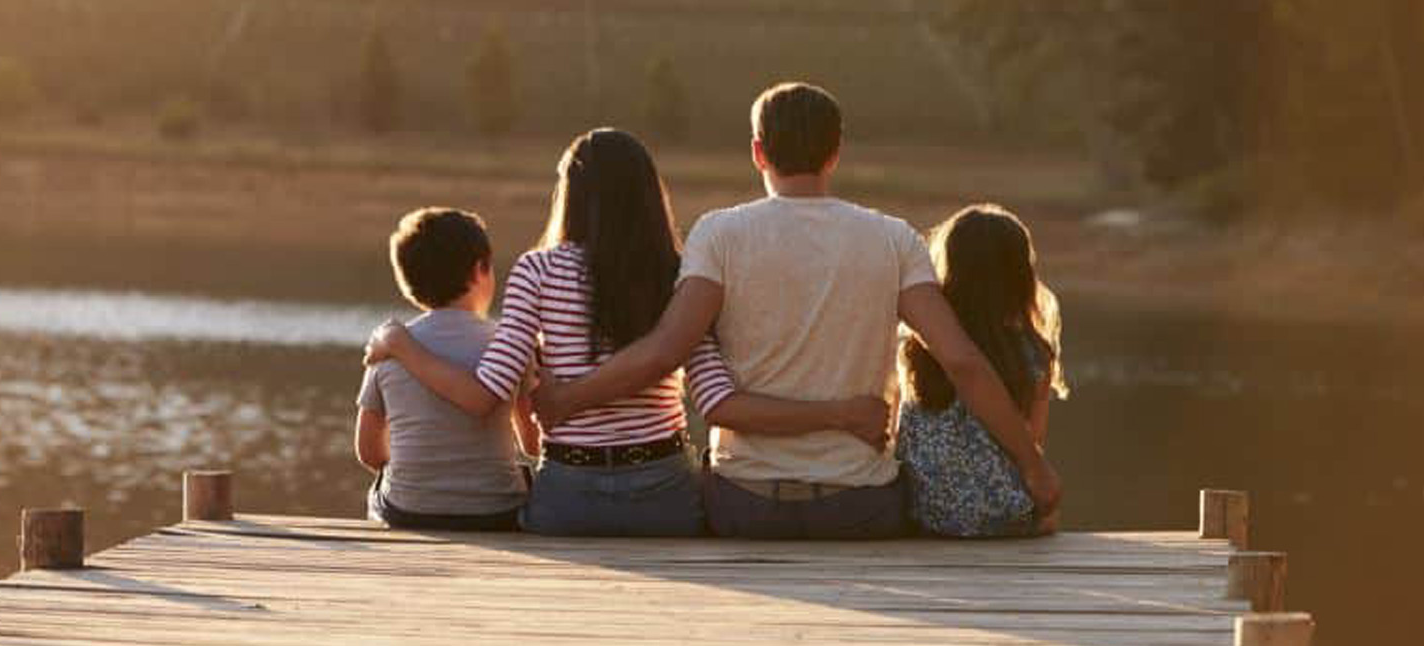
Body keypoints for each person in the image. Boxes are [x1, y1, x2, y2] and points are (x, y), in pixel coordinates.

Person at [532, 83, 1061, 540]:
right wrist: (1033, 468)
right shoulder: (893, 239)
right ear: (835, 153)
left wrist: (567, 398)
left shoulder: (719, 234)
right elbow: (963, 362)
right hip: (860, 507)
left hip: (744, 504)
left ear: (758, 152)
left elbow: (667, 349)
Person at [366, 128, 888, 537]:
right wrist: (839, 415)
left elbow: (486, 394)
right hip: (664, 495)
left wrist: (400, 344)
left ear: (570, 194)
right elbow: (716, 397)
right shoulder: (679, 272)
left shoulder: (537, 271)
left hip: (567, 498)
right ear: (647, 193)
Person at [355, 208, 536, 531]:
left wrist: (419, 477)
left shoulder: (387, 347)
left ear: (408, 282)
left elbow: (368, 451)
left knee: (381, 490)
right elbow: (532, 443)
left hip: (408, 509)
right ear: (481, 270)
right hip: (496, 510)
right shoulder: (509, 345)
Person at [898, 204, 1068, 537]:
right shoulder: (1032, 352)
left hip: (921, 510)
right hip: (1003, 514)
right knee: (1049, 518)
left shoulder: (920, 346)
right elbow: (1031, 441)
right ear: (1021, 275)